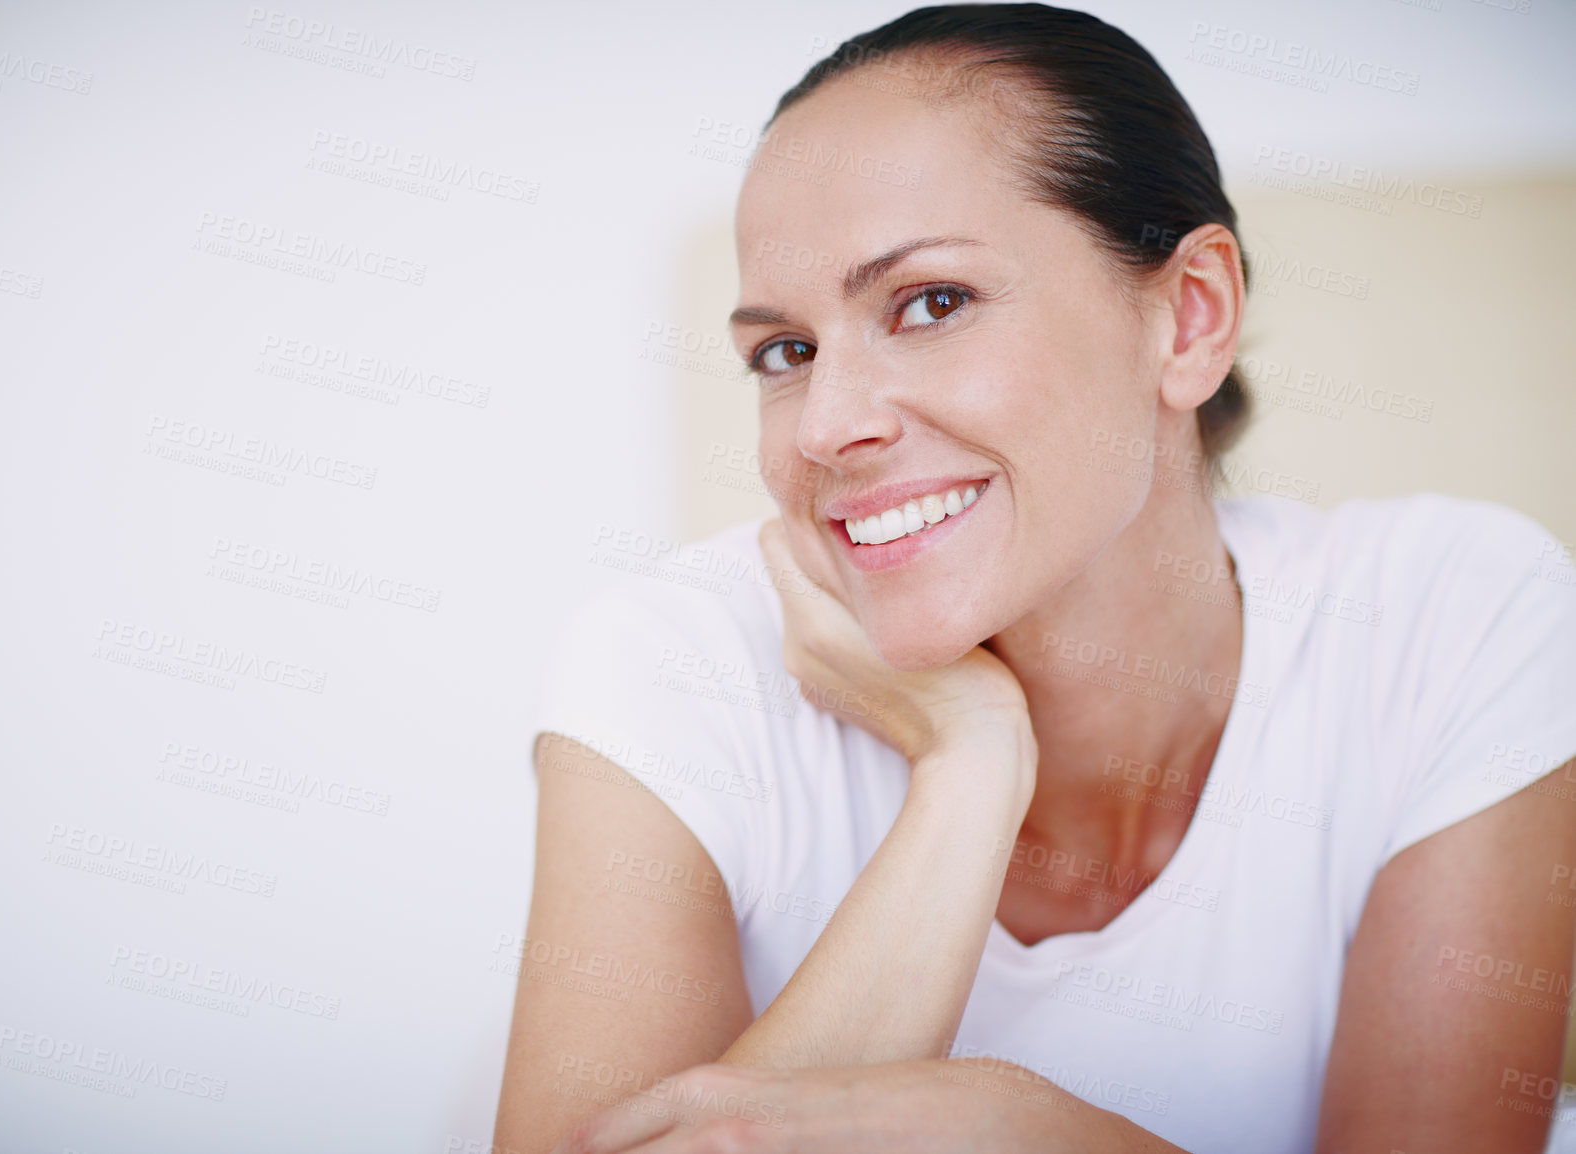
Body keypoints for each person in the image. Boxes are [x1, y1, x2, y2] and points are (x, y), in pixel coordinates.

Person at [494, 5, 1576, 1151]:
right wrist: (967, 764)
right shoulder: (677, 663)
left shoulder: (1452, 616)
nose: (825, 424)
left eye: (930, 302)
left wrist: (1037, 1133)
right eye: (786, 351)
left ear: (1188, 316)